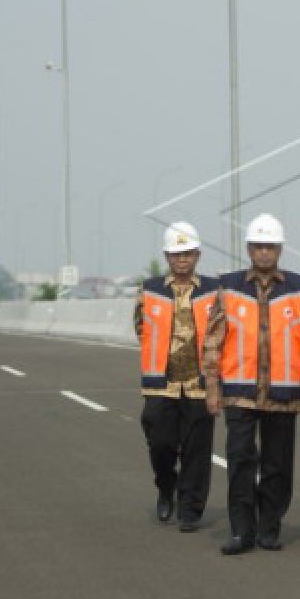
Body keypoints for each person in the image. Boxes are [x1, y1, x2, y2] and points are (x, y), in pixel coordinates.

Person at [203, 214, 300, 555]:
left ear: (280, 249)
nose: (264, 252)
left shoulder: (299, 288)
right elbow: (213, 339)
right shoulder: (228, 287)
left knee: (278, 464)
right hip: (239, 392)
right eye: (258, 246)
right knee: (240, 459)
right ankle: (242, 530)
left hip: (284, 394)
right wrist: (212, 386)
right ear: (249, 249)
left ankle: (270, 527)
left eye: (270, 246)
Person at [134, 222, 219, 532]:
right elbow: (141, 329)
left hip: (199, 383)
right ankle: (166, 486)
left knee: (198, 449)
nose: (182, 259)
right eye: (176, 254)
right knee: (160, 442)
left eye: (187, 253)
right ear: (167, 257)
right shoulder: (150, 289)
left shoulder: (213, 290)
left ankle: (190, 509)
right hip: (161, 383)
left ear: (197, 255)